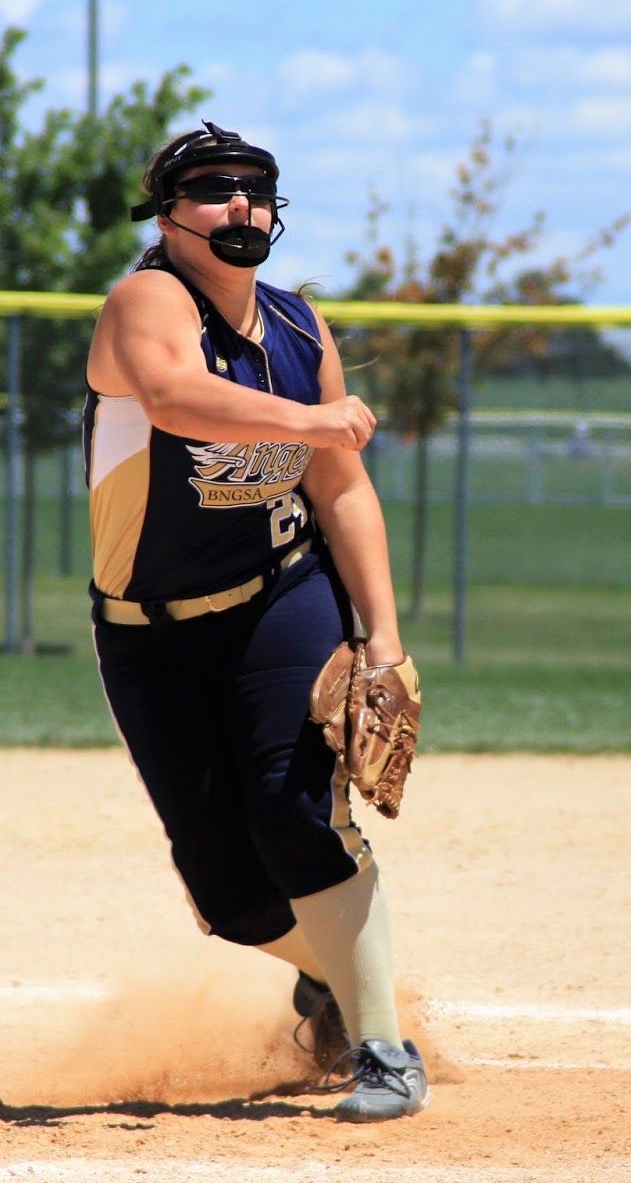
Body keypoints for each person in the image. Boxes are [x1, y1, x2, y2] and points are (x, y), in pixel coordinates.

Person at [82, 122, 427, 1121]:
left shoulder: (298, 328)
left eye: (256, 187)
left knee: (296, 813)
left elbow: (342, 490)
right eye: (212, 186)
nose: (239, 203)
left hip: (282, 596)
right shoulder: (147, 300)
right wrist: (315, 419)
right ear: (166, 214)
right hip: (148, 632)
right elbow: (173, 397)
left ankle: (383, 1048)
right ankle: (330, 972)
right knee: (227, 893)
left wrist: (384, 636)